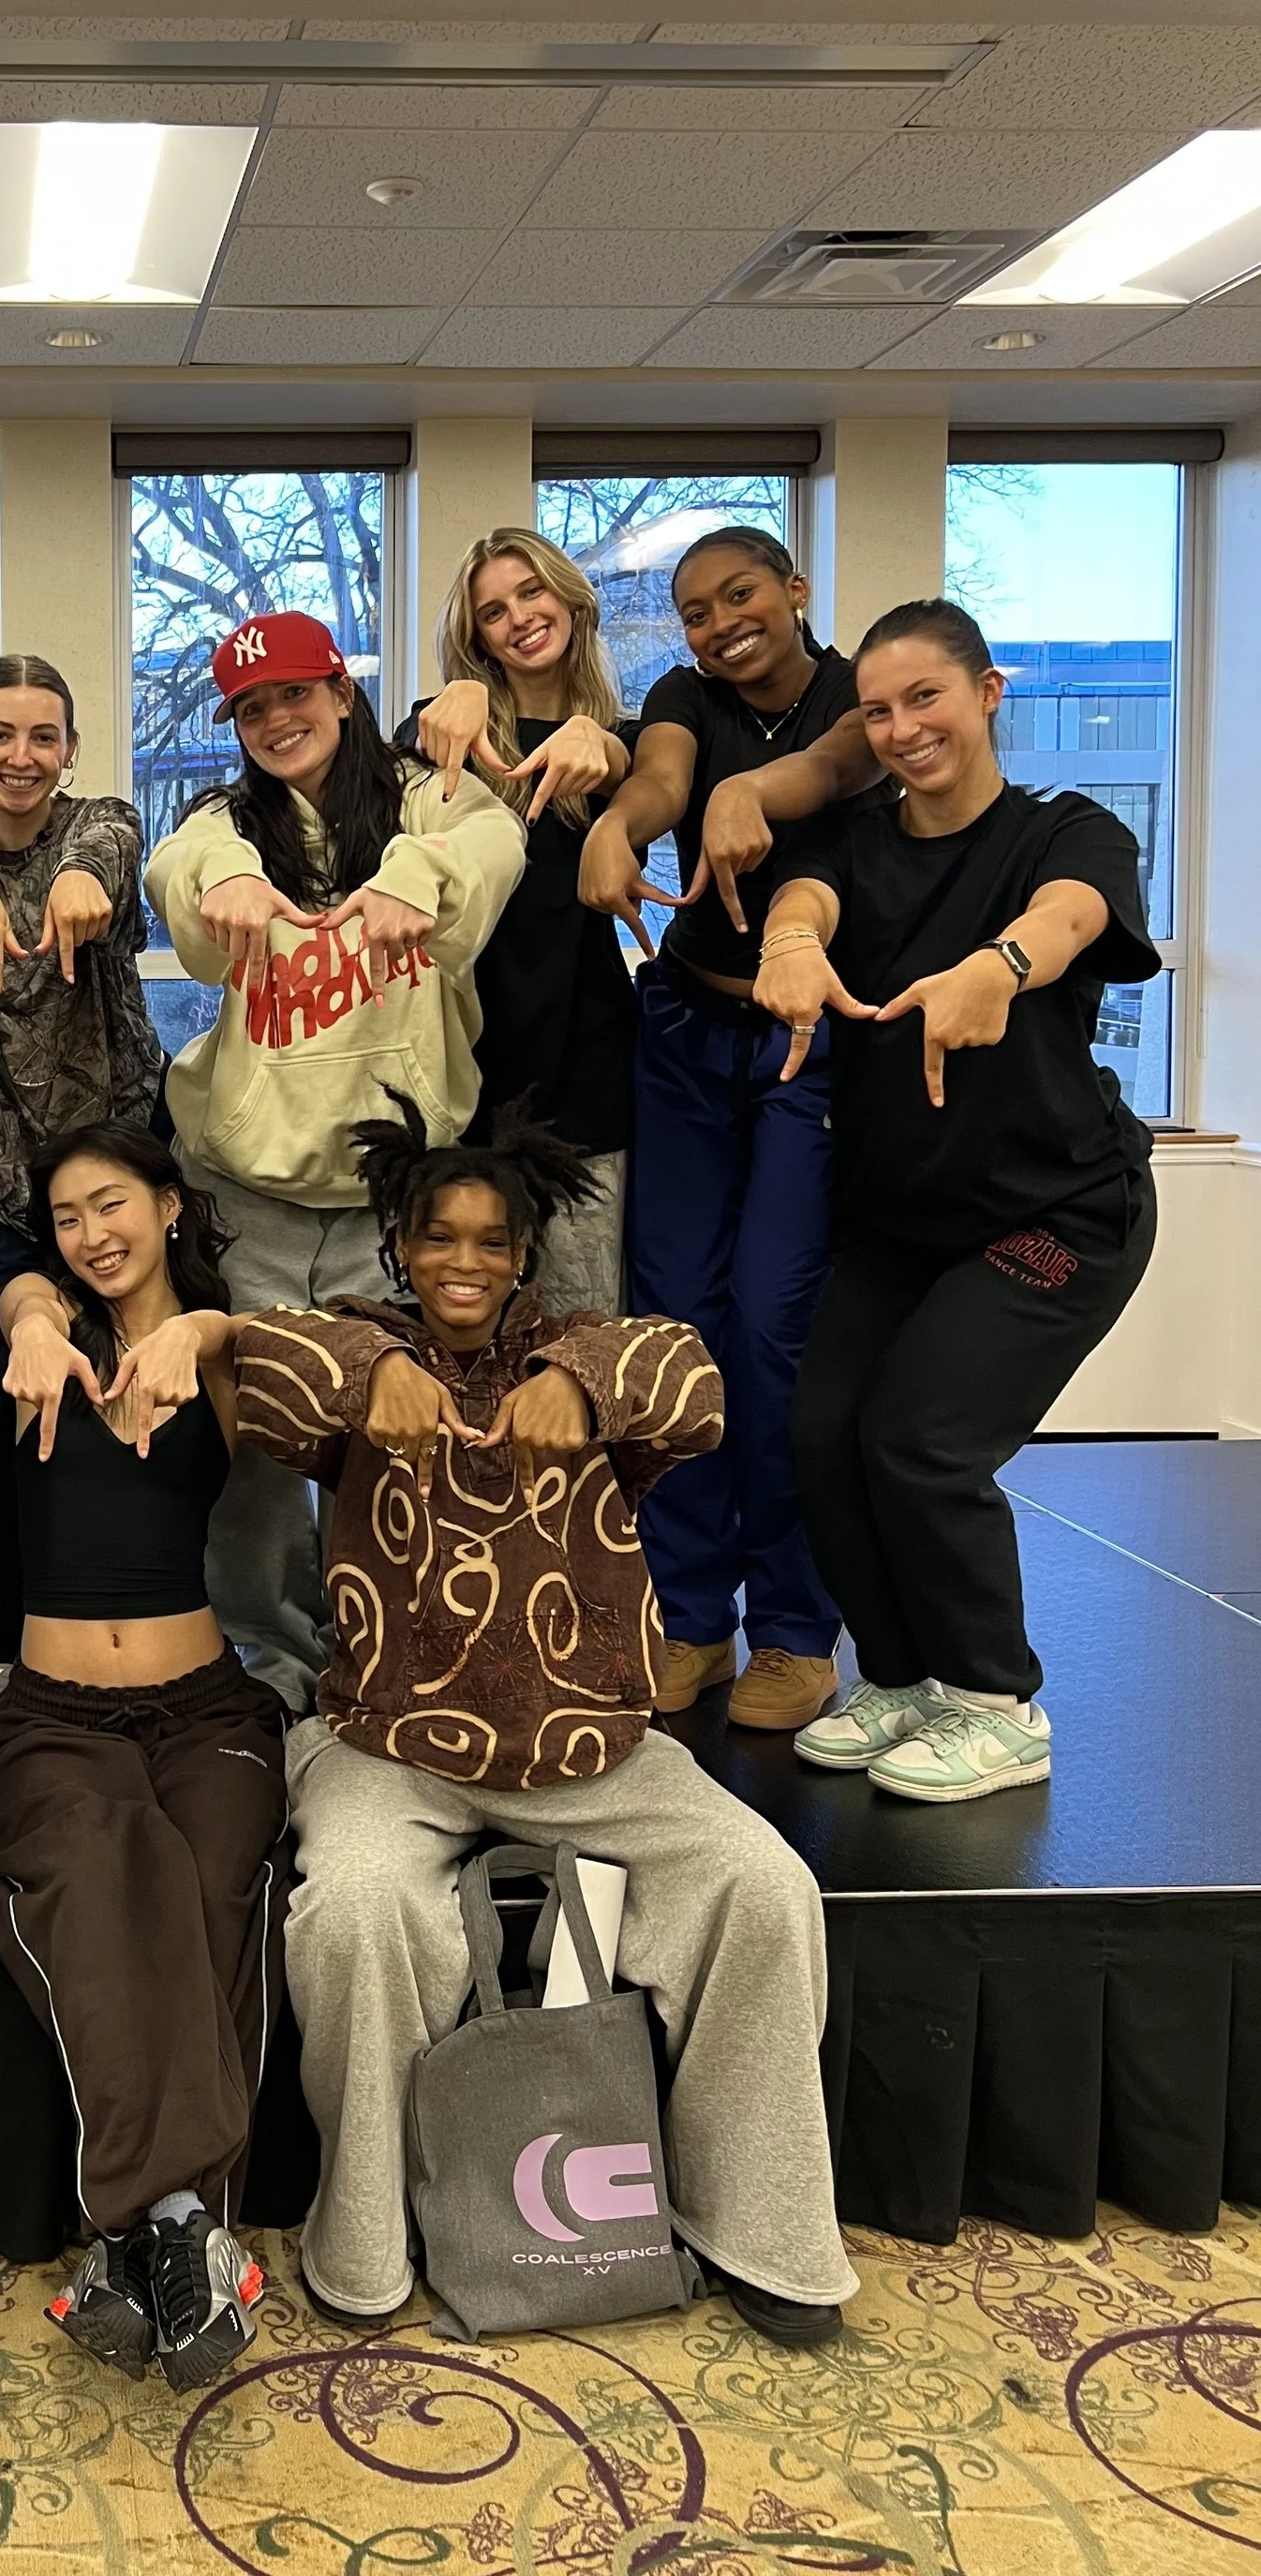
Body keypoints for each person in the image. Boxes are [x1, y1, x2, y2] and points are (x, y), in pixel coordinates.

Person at [235, 1094, 855, 2349]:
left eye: (489, 1239)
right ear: (399, 1240)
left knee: (767, 1887)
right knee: (354, 1914)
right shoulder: (354, 1341)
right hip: (391, 1748)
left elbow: (692, 1383)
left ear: (524, 1250)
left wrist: (578, 1381)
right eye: (437, 1236)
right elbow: (259, 1370)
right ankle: (362, 2243)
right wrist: (379, 1371)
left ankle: (771, 2232)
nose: (463, 1261)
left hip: (595, 1757)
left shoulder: (586, 1342)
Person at [757, 599, 1161, 1805]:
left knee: (923, 1441)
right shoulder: (856, 840)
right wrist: (786, 940)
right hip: (901, 1224)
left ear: (987, 693)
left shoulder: (1064, 830)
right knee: (822, 1435)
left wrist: (1001, 964)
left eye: (924, 697)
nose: (899, 728)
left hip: (1058, 1213)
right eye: (876, 710)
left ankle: (994, 1701)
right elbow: (808, 900)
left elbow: (1073, 914)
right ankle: (899, 1679)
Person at [0, 1125, 283, 2393]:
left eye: (113, 1204)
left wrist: (208, 1333)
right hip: (49, 1720)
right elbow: (17, 1290)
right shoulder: (39, 1339)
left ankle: (134, 2244)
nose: (93, 1232)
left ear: (169, 1202)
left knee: (204, 1886)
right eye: (68, 1215)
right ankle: (189, 2227)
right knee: (110, 1848)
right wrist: (31, 1310)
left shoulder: (223, 1354)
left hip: (205, 1712)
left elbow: (341, 1352)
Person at [144, 610, 526, 1708]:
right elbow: (182, 868)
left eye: (296, 695)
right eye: (252, 708)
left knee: (398, 1425)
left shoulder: (428, 796)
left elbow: (491, 850)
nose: (276, 719)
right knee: (259, 1439)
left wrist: (413, 870)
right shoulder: (225, 819)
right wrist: (219, 876)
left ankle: (398, 1647)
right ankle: (266, 1658)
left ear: (342, 694)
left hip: (390, 1191)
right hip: (247, 1185)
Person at [575, 525, 875, 1737]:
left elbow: (824, 779)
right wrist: (623, 824)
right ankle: (690, 1613)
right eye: (695, 609)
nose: (716, 623)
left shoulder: (859, 695)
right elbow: (660, 771)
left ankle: (796, 1626)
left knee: (771, 1333)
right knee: (675, 1331)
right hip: (689, 1035)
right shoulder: (685, 693)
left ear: (795, 592)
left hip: (804, 1049)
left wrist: (752, 793)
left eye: (739, 595)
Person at [0, 656, 163, 1713]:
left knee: (139, 1413)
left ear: (71, 747)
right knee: (3, 1434)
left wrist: (80, 883)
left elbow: (105, 852)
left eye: (42, 736)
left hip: (126, 1173)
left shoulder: (105, 820)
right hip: (1, 1192)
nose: (20, 756)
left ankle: (146, 1623)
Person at [398, 526, 640, 1312]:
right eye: (493, 612)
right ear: (478, 640)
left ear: (569, 596)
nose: (520, 618)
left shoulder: (621, 746)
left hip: (585, 1073)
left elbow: (637, 771)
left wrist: (604, 743)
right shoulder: (437, 736)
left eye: (531, 592)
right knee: (462, 1317)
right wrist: (454, 695)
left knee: (580, 1318)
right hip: (465, 1066)